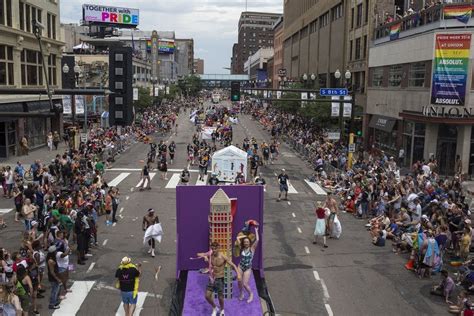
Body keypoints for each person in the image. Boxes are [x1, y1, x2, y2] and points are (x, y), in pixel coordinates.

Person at [196, 241, 241, 316]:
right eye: (212, 249)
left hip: (220, 278)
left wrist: (238, 274)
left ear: (219, 248)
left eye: (215, 249)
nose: (214, 250)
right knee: (207, 296)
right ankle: (215, 307)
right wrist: (204, 256)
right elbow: (198, 254)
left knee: (220, 297)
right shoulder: (210, 254)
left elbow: (233, 265)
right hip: (212, 278)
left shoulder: (223, 256)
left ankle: (222, 310)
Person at [236, 226, 259, 303]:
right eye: (245, 242)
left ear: (249, 242)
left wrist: (256, 231)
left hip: (247, 268)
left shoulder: (252, 248)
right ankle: (241, 293)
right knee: (239, 281)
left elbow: (257, 239)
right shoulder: (242, 248)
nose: (246, 243)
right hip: (240, 266)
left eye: (247, 241)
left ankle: (251, 294)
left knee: (245, 284)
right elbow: (238, 238)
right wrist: (245, 236)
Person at [46, 245, 61, 310]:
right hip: (53, 278)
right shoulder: (50, 261)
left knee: (56, 290)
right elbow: (52, 272)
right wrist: (57, 279)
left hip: (54, 276)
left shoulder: (52, 258)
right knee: (54, 291)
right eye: (55, 251)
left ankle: (55, 301)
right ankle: (52, 304)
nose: (56, 251)